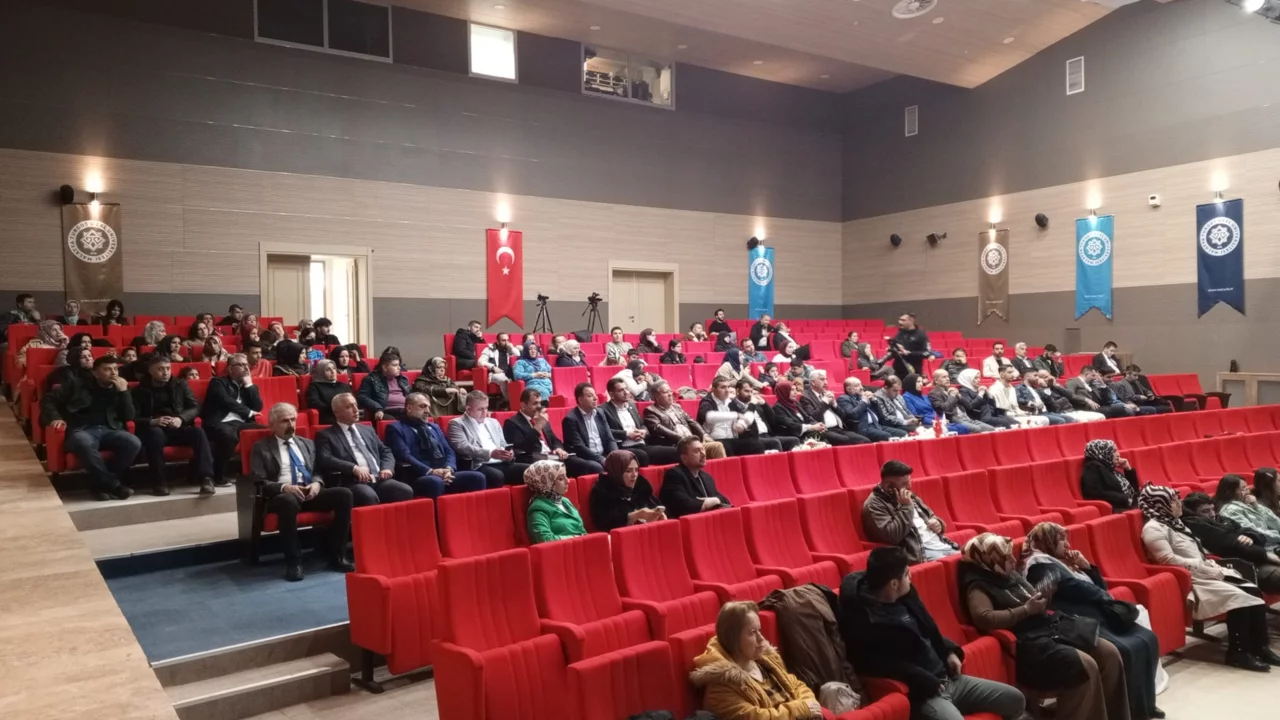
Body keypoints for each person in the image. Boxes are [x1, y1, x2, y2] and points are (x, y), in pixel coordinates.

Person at [958, 533, 1132, 720]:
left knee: (1109, 653)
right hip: (1028, 642)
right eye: (1007, 557)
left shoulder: (1007, 573)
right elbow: (984, 618)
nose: (1013, 560)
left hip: (1049, 626)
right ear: (989, 560)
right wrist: (1026, 610)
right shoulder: (977, 585)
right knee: (1083, 666)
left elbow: (1034, 594)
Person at [840, 546, 1026, 720]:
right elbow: (874, 664)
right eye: (906, 573)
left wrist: (949, 651)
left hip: (950, 679)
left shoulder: (907, 596)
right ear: (894, 583)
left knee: (1015, 700)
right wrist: (921, 679)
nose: (911, 576)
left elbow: (927, 630)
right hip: (924, 693)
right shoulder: (864, 618)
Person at [1021, 523, 1164, 720]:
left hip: (1096, 613)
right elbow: (1071, 589)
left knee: (1148, 638)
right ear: (1048, 542)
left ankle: (1144, 706)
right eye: (1061, 540)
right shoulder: (1040, 566)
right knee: (1125, 649)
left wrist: (1086, 567)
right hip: (1078, 618)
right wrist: (1103, 596)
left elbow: (1100, 587)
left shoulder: (1063, 563)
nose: (1067, 544)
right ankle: (1123, 711)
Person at [1139, 485, 1278, 670]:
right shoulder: (1154, 529)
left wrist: (1209, 564)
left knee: (1254, 592)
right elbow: (1167, 559)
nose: (1179, 503)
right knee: (1241, 598)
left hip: (1205, 571)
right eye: (1173, 501)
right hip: (1192, 580)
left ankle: (1260, 647)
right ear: (1160, 504)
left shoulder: (1175, 523)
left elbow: (1195, 551)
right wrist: (1203, 567)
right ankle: (1238, 653)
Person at [248, 403, 354, 581]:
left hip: (308, 492)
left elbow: (318, 471)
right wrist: (284, 487)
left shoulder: (307, 443)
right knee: (288, 501)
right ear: (272, 424)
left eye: (293, 420)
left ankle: (337, 555)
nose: (291, 424)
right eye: (285, 421)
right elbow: (258, 480)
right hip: (281, 496)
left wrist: (317, 483)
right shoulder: (261, 447)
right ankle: (294, 562)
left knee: (344, 495)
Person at [690, 601, 824, 720]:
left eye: (760, 630)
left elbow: (796, 684)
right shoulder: (720, 688)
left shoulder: (765, 660)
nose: (761, 639)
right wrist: (801, 709)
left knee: (831, 690)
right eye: (752, 632)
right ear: (733, 638)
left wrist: (808, 704)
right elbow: (756, 717)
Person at [46, 356, 141, 501]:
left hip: (110, 429)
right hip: (83, 429)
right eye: (107, 369)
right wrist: (55, 417)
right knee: (82, 441)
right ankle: (114, 485)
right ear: (95, 373)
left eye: (116, 369)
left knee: (133, 442)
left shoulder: (121, 388)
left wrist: (124, 393)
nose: (113, 373)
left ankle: (100, 485)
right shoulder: (76, 385)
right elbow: (48, 400)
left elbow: (129, 416)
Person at [384, 392, 494, 499]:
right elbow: (405, 456)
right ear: (409, 408)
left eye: (428, 407)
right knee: (435, 482)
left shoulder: (434, 427)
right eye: (422, 406)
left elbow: (449, 450)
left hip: (445, 472)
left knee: (477, 477)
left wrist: (449, 468)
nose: (427, 411)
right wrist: (431, 471)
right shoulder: (396, 428)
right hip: (421, 474)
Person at [132, 355, 214, 496]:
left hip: (176, 426)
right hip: (154, 429)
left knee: (198, 432)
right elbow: (133, 417)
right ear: (150, 371)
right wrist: (152, 421)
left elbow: (195, 407)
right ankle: (159, 482)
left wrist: (181, 418)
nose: (165, 372)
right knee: (155, 434)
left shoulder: (180, 384)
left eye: (168, 369)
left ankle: (206, 478)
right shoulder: (139, 390)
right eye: (160, 369)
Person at [314, 393, 412, 507]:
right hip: (353, 482)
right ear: (337, 412)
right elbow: (325, 458)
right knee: (368, 495)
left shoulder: (368, 429)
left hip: (379, 478)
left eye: (356, 405)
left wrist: (387, 468)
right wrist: (353, 468)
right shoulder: (325, 435)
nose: (356, 410)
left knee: (404, 490)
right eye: (349, 407)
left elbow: (385, 451)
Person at [862, 460, 959, 563]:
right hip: (920, 553)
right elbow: (892, 536)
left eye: (909, 482)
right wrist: (906, 507)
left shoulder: (905, 493)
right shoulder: (874, 504)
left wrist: (938, 523)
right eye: (905, 484)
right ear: (888, 486)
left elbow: (930, 515)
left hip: (941, 544)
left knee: (969, 558)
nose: (909, 487)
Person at [1183, 492, 1280, 592]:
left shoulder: (1220, 519)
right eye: (1205, 511)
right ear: (1193, 512)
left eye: (1213, 509)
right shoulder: (1195, 525)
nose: (1212, 514)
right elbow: (1231, 545)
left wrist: (1251, 536)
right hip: (1241, 568)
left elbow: (1255, 534)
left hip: (1255, 558)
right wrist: (1265, 555)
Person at [504, 387, 600, 477]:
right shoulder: (512, 423)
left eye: (540, 403)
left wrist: (558, 448)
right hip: (535, 460)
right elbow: (522, 448)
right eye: (535, 404)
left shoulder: (541, 418)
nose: (539, 407)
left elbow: (554, 440)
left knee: (588, 466)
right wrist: (537, 427)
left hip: (554, 457)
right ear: (523, 405)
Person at [201, 353, 265, 487]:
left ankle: (260, 474)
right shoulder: (218, 382)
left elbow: (258, 407)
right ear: (230, 369)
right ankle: (219, 476)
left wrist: (249, 386)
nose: (246, 368)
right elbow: (226, 401)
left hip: (241, 423)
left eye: (247, 365)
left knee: (268, 432)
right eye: (241, 365)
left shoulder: (249, 386)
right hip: (220, 422)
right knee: (229, 437)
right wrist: (247, 412)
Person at [447, 390, 529, 486]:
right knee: (497, 476)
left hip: (501, 462)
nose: (484, 412)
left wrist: (509, 453)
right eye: (480, 409)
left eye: (486, 408)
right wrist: (490, 453)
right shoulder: (456, 423)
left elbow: (503, 443)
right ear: (468, 409)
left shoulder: (493, 422)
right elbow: (462, 447)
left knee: (530, 470)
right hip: (479, 464)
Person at [601, 378, 680, 466]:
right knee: (642, 456)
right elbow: (604, 432)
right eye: (621, 390)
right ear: (611, 394)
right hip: (623, 447)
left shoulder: (631, 405)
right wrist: (627, 434)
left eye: (626, 388)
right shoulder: (603, 410)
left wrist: (643, 432)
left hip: (641, 444)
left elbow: (642, 425)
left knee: (676, 452)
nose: (626, 392)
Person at [697, 377, 777, 456]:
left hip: (732, 438)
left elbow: (748, 414)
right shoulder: (707, 401)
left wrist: (742, 424)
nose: (727, 390)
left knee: (757, 445)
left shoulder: (731, 401)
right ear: (713, 389)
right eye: (723, 387)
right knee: (726, 446)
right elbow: (708, 416)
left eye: (728, 387)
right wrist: (736, 415)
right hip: (714, 439)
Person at [661, 436, 731, 519]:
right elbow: (684, 506)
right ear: (684, 458)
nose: (703, 454)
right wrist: (709, 503)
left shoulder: (706, 477)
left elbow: (725, 500)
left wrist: (714, 500)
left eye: (703, 449)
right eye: (696, 451)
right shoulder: (674, 475)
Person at [799, 370, 870, 445]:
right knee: (845, 440)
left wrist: (834, 404)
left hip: (838, 428)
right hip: (824, 430)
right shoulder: (805, 397)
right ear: (813, 382)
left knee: (865, 440)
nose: (826, 382)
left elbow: (843, 416)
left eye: (826, 379)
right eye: (822, 379)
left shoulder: (825, 394)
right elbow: (813, 417)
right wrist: (825, 402)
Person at [523, 460, 587, 544]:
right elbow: (545, 539)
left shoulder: (565, 501)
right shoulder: (538, 508)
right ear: (547, 482)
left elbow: (581, 530)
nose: (568, 481)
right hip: (561, 550)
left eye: (566, 476)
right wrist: (577, 538)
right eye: (561, 478)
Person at [1214, 474, 1280, 547]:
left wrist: (1257, 507)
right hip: (1264, 547)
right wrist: (1278, 536)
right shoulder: (1230, 510)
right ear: (1230, 492)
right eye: (1243, 489)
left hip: (1273, 543)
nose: (1248, 492)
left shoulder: (1249, 504)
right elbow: (1253, 532)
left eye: (1247, 488)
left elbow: (1277, 524)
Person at [736, 380, 801, 451]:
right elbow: (745, 421)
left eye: (751, 392)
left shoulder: (757, 405)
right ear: (738, 391)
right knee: (774, 442)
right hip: (753, 438)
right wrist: (752, 405)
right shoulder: (734, 405)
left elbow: (772, 420)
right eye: (746, 391)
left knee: (794, 440)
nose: (749, 394)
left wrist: (764, 404)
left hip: (767, 435)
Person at [1077, 439, 1139, 513]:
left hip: (1128, 504)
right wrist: (1125, 499)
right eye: (1114, 451)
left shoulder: (1109, 467)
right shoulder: (1092, 468)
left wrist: (1128, 469)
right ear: (1103, 452)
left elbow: (1134, 490)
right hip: (1116, 508)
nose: (1118, 454)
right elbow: (1095, 493)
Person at [561, 382, 616, 464]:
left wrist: (615, 456)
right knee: (597, 467)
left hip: (603, 455)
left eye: (595, 394)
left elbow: (610, 438)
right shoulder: (570, 419)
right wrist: (602, 460)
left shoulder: (600, 413)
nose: (596, 398)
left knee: (624, 459)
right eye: (590, 396)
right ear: (580, 400)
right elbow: (580, 447)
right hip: (584, 458)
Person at [838, 376, 907, 441]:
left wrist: (874, 400)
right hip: (864, 428)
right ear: (849, 389)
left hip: (877, 425)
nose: (861, 387)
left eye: (861, 384)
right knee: (886, 436)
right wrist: (864, 401)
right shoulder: (843, 399)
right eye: (857, 386)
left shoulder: (862, 396)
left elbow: (881, 415)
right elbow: (853, 415)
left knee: (903, 433)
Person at [928, 370, 994, 434]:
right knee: (977, 429)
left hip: (966, 417)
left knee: (991, 428)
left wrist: (959, 396)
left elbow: (968, 406)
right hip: (954, 419)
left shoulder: (951, 390)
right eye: (944, 377)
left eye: (948, 376)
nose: (947, 379)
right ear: (936, 381)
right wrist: (952, 396)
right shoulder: (933, 393)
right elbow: (945, 409)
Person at [357, 352, 411, 421]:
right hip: (386, 412)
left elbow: (411, 395)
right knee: (393, 423)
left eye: (399, 365)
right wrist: (377, 408)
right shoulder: (371, 379)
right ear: (385, 367)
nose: (399, 368)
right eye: (395, 365)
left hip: (405, 411)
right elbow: (362, 397)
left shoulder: (403, 379)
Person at [1037, 369, 1105, 422]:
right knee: (1083, 421)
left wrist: (1057, 386)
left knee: (1101, 416)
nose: (1050, 378)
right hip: (1061, 414)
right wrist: (1046, 387)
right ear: (1039, 380)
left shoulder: (1056, 387)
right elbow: (1053, 406)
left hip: (1072, 411)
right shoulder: (1040, 391)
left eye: (1049, 375)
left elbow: (1070, 395)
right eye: (1046, 377)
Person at [1067, 367, 1133, 419]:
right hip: (1085, 408)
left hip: (1100, 406)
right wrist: (1086, 399)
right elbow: (1070, 395)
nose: (1095, 378)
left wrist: (1102, 383)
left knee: (1126, 409)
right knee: (1120, 408)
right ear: (1086, 374)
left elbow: (1107, 400)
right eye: (1093, 375)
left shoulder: (1092, 383)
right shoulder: (1073, 382)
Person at [305, 360, 353, 426]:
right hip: (328, 416)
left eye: (334, 368)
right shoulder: (315, 386)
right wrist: (335, 408)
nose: (333, 371)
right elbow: (315, 403)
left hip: (347, 415)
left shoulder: (344, 386)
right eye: (328, 370)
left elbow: (351, 401)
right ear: (321, 372)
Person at [888, 313, 931, 378]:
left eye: (903, 320)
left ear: (912, 320)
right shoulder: (899, 334)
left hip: (913, 371)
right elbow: (896, 350)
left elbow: (927, 353)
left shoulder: (921, 335)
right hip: (897, 370)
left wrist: (909, 353)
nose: (900, 322)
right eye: (899, 320)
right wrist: (891, 349)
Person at [477, 332, 516, 397]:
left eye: (507, 340)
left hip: (509, 373)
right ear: (498, 342)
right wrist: (493, 367)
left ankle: (517, 401)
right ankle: (509, 401)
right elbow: (480, 362)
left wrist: (512, 348)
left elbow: (518, 356)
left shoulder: (509, 349)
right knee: (504, 380)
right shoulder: (489, 349)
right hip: (495, 374)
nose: (506, 342)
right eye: (503, 340)